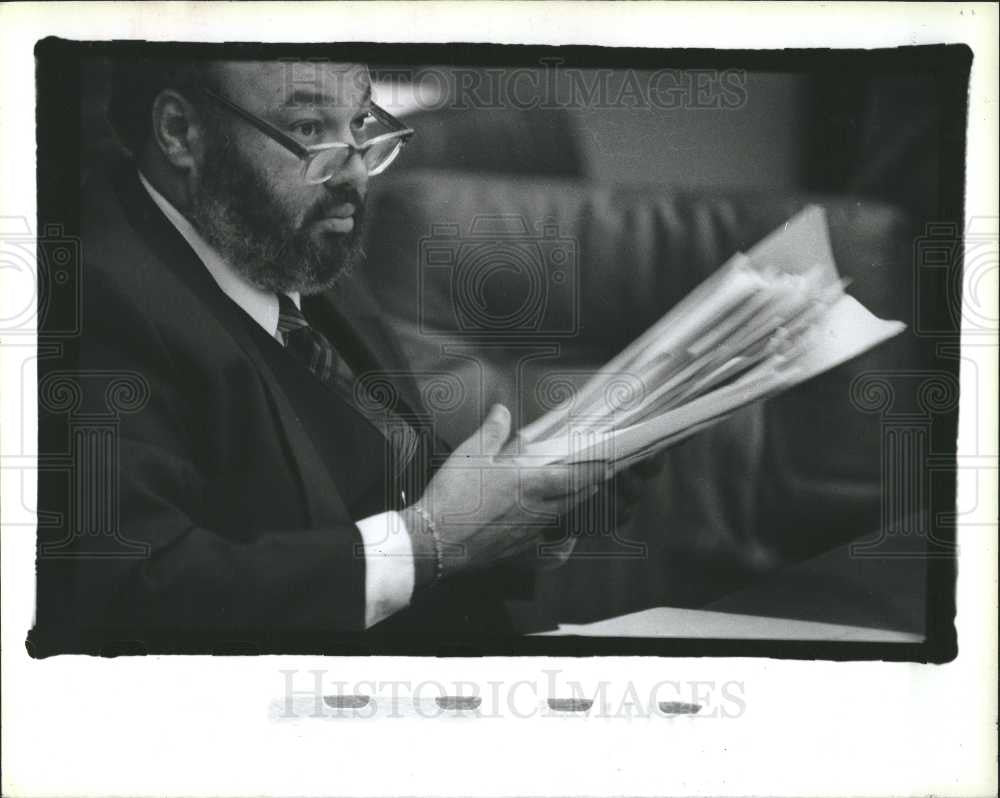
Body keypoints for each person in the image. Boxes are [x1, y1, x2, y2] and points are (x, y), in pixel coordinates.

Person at [30, 57, 619, 654]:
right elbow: (133, 591)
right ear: (181, 131)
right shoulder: (81, 304)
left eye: (359, 122)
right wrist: (424, 542)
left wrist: (522, 513)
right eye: (310, 129)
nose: (355, 173)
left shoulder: (286, 236)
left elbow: (378, 475)